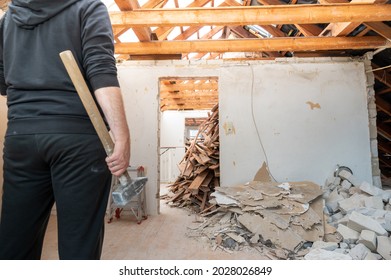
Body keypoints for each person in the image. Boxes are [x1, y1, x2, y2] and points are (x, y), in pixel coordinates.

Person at [0, 0, 130, 260]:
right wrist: (122, 135)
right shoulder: (89, 8)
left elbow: (4, 82)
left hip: (21, 136)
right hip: (78, 137)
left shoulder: (7, 20)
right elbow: (101, 71)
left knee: (15, 245)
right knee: (79, 247)